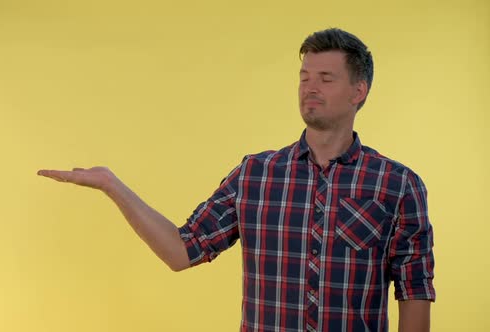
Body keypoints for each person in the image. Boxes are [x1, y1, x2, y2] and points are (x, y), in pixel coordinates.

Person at [37, 28, 435, 332]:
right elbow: (181, 251)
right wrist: (112, 185)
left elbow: (414, 290)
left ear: (358, 91)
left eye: (326, 78)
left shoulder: (397, 184)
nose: (310, 87)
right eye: (304, 77)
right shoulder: (255, 175)